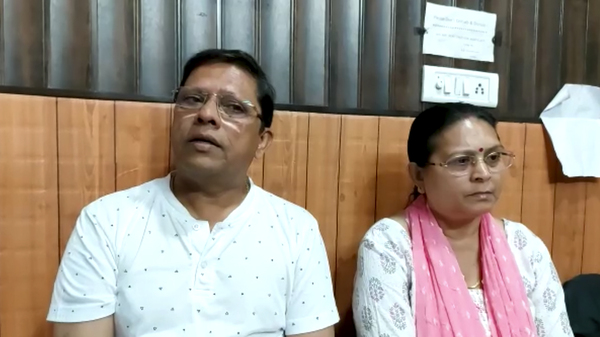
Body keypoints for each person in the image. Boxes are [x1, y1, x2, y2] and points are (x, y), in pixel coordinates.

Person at [47, 49, 339, 337]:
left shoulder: (297, 230)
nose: (206, 114)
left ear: (262, 141)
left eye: (233, 107)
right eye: (192, 99)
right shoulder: (107, 221)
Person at [352, 103, 573, 337]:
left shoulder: (523, 246)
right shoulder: (389, 246)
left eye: (493, 157)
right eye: (461, 161)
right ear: (418, 175)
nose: (483, 173)